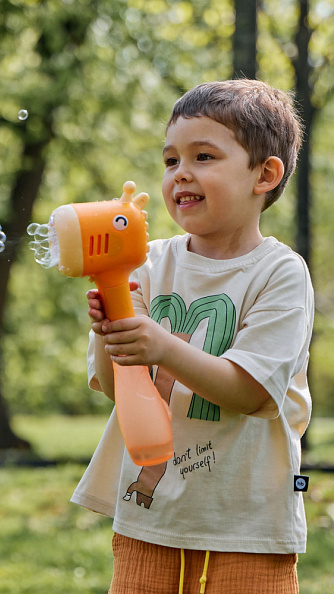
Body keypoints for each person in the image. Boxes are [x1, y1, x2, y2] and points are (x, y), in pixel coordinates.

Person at [71, 79, 314, 594]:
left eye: (203, 156)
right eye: (169, 160)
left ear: (264, 175)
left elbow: (250, 392)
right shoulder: (145, 263)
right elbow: (124, 395)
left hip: (248, 524)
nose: (181, 173)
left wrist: (160, 346)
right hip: (151, 519)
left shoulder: (279, 274)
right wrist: (109, 334)